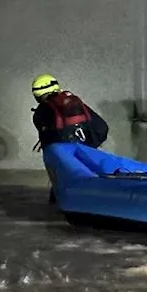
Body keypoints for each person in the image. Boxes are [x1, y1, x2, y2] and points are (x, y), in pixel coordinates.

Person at [31, 73, 109, 204]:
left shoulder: (40, 112)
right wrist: (92, 146)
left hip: (64, 159)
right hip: (86, 152)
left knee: (60, 196)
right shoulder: (75, 103)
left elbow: (49, 148)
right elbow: (102, 127)